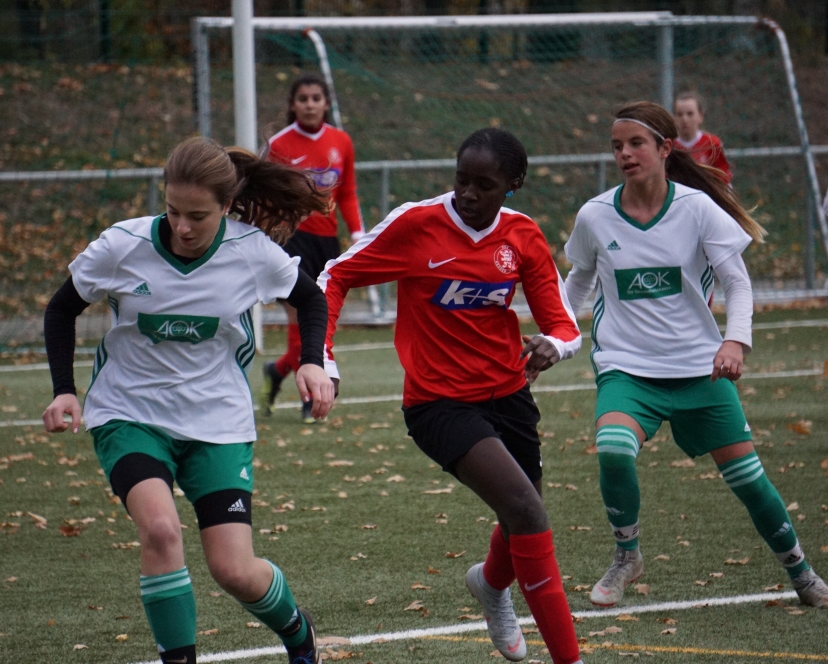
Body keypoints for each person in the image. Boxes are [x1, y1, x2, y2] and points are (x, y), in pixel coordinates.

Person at [41, 136, 336, 664]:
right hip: (129, 413)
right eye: (173, 210)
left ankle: (297, 631)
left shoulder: (251, 252)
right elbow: (61, 310)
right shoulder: (122, 246)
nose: (182, 227)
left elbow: (311, 300)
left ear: (226, 206)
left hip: (217, 419)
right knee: (160, 531)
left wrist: (312, 360)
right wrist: (65, 389)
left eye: (197, 216)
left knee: (234, 570)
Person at [319, 128, 585, 664]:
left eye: (484, 185)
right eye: (462, 179)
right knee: (527, 512)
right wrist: (321, 357)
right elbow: (333, 276)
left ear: (513, 184)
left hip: (509, 395)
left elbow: (564, 324)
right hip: (438, 404)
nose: (467, 193)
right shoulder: (417, 224)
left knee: (522, 514)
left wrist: (554, 346)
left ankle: (490, 585)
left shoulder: (522, 236)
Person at [563, 100, 828, 609]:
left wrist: (734, 340)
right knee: (613, 448)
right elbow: (578, 281)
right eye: (617, 146)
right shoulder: (595, 215)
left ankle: (800, 570)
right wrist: (555, 336)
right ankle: (627, 556)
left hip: (698, 370)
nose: (625, 154)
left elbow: (738, 284)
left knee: (750, 483)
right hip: (627, 369)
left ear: (665, 148)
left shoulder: (698, 208)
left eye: (636, 143)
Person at [260, 73, 365, 424]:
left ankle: (277, 371)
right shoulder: (278, 145)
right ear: (293, 105)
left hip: (326, 243)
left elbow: (347, 192)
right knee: (300, 318)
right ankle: (310, 396)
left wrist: (358, 232)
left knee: (319, 321)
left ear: (326, 103)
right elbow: (266, 197)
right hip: (291, 240)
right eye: (302, 99)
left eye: (315, 98)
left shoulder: (341, 142)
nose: (309, 104)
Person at [673, 91, 732, 183]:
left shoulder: (712, 143)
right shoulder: (670, 146)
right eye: (680, 114)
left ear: (700, 116)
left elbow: (723, 177)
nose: (684, 119)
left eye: (690, 114)